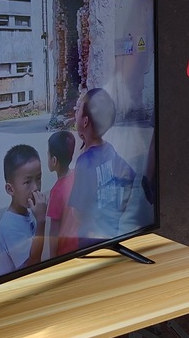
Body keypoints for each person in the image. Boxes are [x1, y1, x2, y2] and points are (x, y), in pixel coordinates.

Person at [68, 88, 136, 245]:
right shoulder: (109, 149)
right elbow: (129, 176)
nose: (75, 113)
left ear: (85, 121)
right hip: (111, 232)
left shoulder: (84, 162)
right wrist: (119, 209)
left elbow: (77, 212)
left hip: (89, 239)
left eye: (78, 110)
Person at [0, 144, 47, 272]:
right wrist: (41, 221)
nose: (35, 187)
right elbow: (32, 265)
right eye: (27, 182)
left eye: (39, 178)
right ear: (10, 189)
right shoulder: (9, 226)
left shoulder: (26, 212)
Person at [46, 130, 79, 257]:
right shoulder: (77, 174)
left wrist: (53, 258)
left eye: (48, 154)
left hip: (66, 251)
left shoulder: (56, 192)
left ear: (54, 160)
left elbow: (54, 231)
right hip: (80, 242)